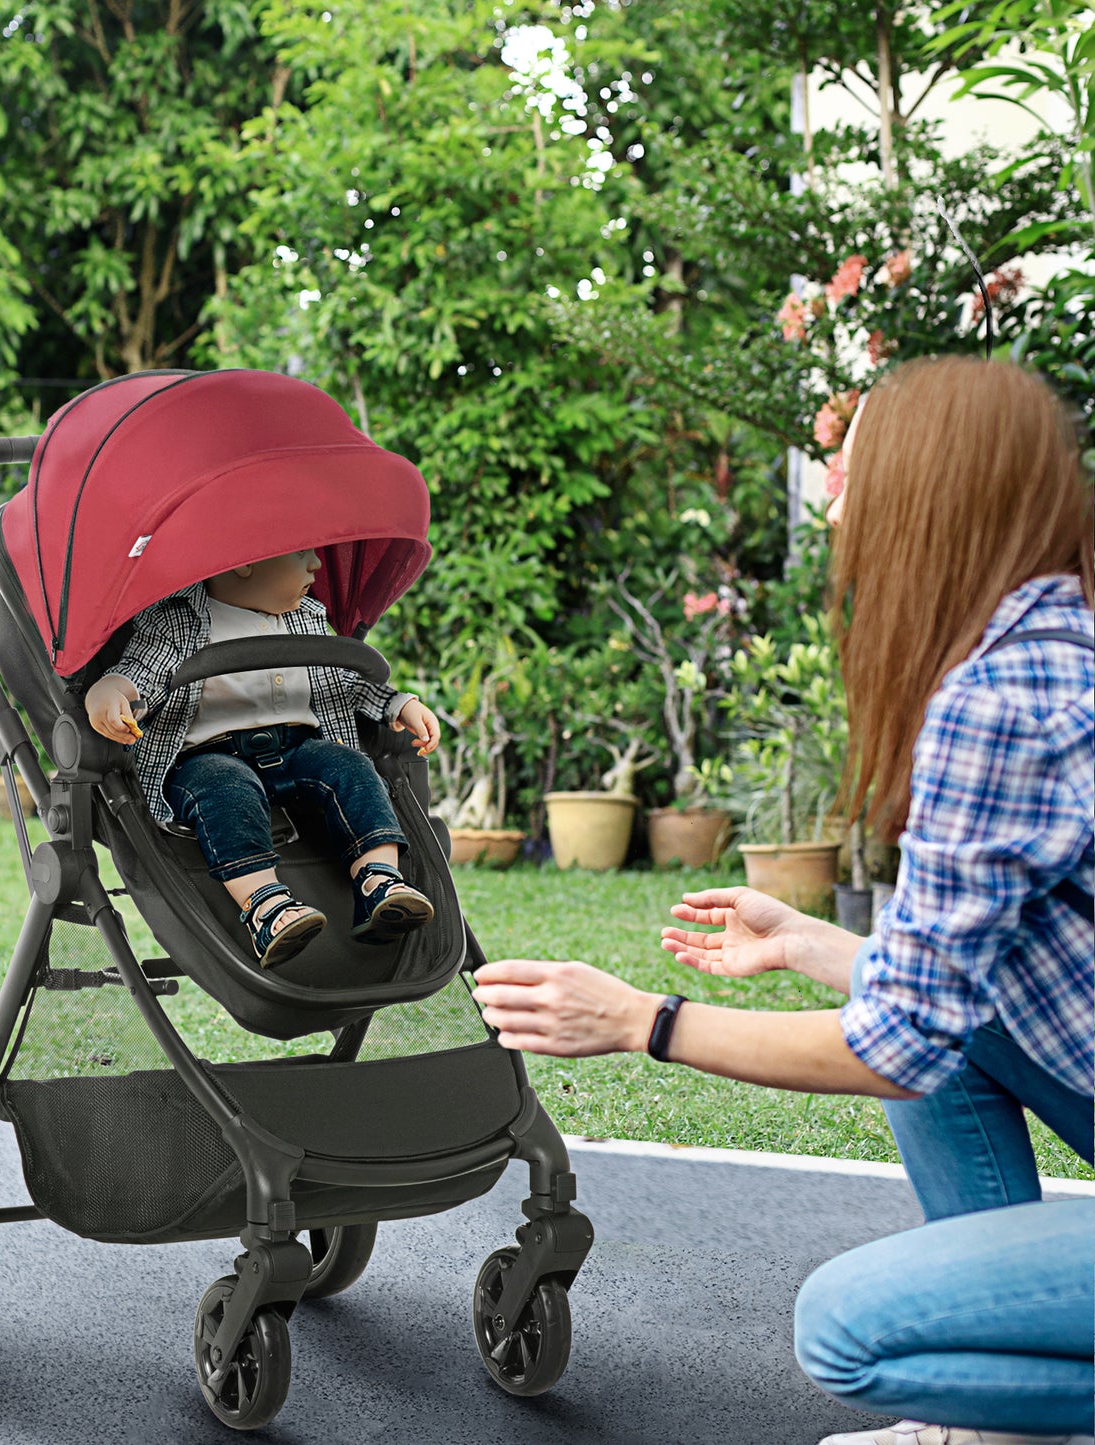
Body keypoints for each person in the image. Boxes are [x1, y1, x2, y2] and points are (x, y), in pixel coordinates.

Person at [471, 356, 1093, 1444]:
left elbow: (895, 1044)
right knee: (932, 1017)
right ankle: (987, 1427)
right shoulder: (1054, 646)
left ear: (930, 496)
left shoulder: (999, 700)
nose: (837, 513)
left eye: (851, 483)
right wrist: (810, 942)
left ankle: (1001, 1414)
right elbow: (952, 988)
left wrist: (641, 1021)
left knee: (849, 1329)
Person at [84, 547, 442, 968]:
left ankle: (379, 882)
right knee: (225, 789)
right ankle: (266, 907)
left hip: (297, 748)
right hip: (208, 756)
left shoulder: (307, 617)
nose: (317, 565)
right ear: (244, 561)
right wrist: (108, 693)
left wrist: (397, 704)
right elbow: (139, 673)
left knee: (351, 766)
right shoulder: (179, 620)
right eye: (301, 554)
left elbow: (345, 681)